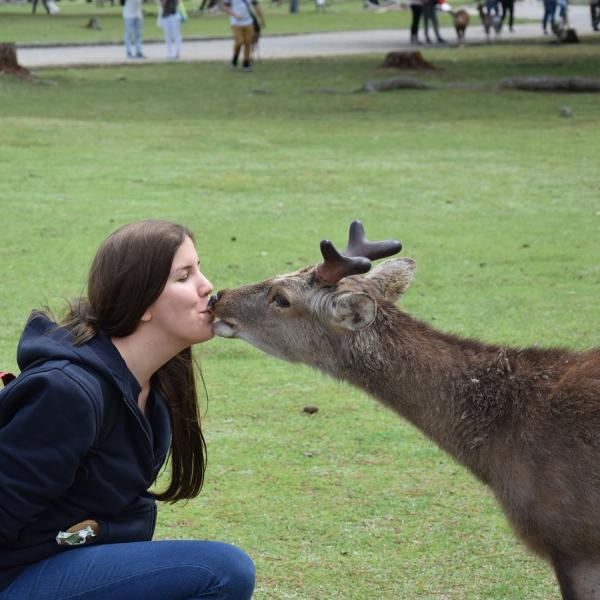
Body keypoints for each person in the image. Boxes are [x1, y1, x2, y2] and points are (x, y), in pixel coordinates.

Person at [0, 220, 255, 600]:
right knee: (220, 571)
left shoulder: (159, 381)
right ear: (142, 302)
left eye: (199, 269)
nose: (207, 287)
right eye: (184, 276)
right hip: (17, 576)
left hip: (64, 561)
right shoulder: (68, 393)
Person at [222, 0, 265, 71]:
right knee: (239, 41)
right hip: (236, 23)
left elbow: (256, 6)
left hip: (248, 22)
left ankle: (246, 62)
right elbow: (226, 7)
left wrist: (262, 19)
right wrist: (236, 15)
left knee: (248, 42)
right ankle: (234, 59)